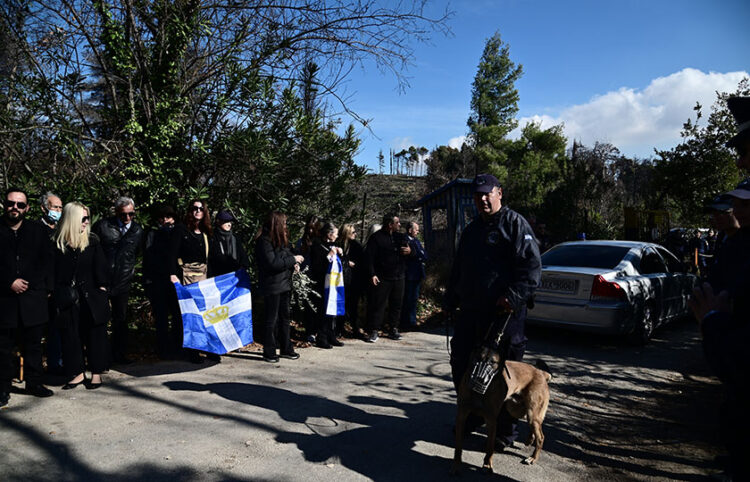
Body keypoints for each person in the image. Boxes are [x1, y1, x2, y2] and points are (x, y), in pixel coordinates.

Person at [444, 173, 541, 449]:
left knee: (503, 374)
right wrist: (451, 298)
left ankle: (503, 430)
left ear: (499, 193)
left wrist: (513, 296)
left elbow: (532, 270)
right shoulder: (473, 229)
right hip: (472, 311)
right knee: (462, 363)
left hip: (505, 315)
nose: (483, 199)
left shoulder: (515, 224)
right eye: (478, 195)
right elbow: (459, 268)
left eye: (488, 193)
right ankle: (473, 417)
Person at [0, 188, 55, 407]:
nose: (15, 208)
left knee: (33, 345)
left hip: (32, 297)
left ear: (27, 208)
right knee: (3, 348)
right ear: (5, 204)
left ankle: (34, 383)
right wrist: (8, 282)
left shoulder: (36, 231)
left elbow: (46, 261)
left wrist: (36, 285)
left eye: (20, 204)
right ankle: (3, 388)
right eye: (11, 203)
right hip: (4, 300)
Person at [54, 202, 111, 390]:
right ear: (72, 219)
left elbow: (101, 269)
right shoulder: (58, 244)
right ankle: (77, 373)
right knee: (71, 336)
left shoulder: (93, 241)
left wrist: (102, 291)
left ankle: (96, 373)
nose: (87, 222)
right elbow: (53, 272)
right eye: (83, 218)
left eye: (87, 218)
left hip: (92, 297)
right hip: (68, 298)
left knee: (95, 336)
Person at [93, 196, 144, 365]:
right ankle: (99, 356)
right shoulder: (102, 226)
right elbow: (92, 250)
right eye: (123, 215)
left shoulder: (137, 230)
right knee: (98, 319)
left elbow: (135, 253)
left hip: (123, 281)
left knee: (120, 320)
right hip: (102, 280)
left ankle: (119, 354)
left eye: (131, 214)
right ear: (116, 212)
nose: (128, 218)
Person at [255, 211, 304, 363]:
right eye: (283, 223)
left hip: (284, 284)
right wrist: (292, 260)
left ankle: (286, 347)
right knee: (272, 319)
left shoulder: (281, 241)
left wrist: (293, 264)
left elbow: (285, 256)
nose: (285, 226)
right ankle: (269, 350)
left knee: (284, 318)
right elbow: (272, 263)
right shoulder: (264, 241)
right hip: (272, 285)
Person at [170, 199, 213, 363]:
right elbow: (172, 254)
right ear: (190, 210)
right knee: (188, 315)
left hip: (203, 278)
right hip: (185, 277)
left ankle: (203, 347)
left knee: (203, 314)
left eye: (201, 208)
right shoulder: (180, 230)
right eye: (195, 208)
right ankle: (189, 351)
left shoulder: (205, 232)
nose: (198, 211)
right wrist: (172, 274)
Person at [364, 214, 411, 343]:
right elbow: (369, 258)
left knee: (396, 304)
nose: (400, 225)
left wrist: (410, 251)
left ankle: (393, 328)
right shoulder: (376, 238)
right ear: (390, 224)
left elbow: (412, 252)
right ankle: (374, 330)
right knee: (378, 304)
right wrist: (372, 274)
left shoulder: (400, 237)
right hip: (382, 277)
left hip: (399, 276)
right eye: (397, 222)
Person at [143, 204, 182, 360]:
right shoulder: (152, 235)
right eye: (163, 218)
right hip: (158, 281)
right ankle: (164, 350)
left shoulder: (178, 233)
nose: (166, 221)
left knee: (178, 316)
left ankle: (178, 347)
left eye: (169, 217)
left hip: (175, 281)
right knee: (162, 318)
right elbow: (148, 257)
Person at [38, 191, 64, 375]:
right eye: (55, 207)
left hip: (59, 286)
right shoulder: (34, 229)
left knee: (57, 327)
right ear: (44, 208)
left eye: (60, 207)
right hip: (41, 288)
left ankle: (57, 364)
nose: (58, 210)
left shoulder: (61, 229)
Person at [310, 222, 345, 348]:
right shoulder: (317, 245)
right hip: (321, 283)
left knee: (332, 310)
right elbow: (317, 265)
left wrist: (340, 253)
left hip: (333, 283)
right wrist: (329, 256)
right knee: (323, 311)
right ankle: (322, 337)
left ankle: (331, 334)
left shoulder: (334, 245)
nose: (337, 236)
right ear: (329, 234)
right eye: (335, 234)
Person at [294, 214, 321, 342]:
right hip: (305, 277)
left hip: (318, 276)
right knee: (309, 307)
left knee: (318, 305)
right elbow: (297, 257)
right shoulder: (301, 242)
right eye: (308, 228)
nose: (310, 231)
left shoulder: (320, 242)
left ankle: (318, 330)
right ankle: (310, 331)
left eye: (313, 228)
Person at [339, 223, 365, 336]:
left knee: (353, 305)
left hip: (354, 280)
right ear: (347, 233)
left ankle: (355, 327)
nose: (355, 234)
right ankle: (339, 328)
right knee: (341, 304)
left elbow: (363, 261)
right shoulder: (338, 245)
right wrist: (345, 262)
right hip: (341, 280)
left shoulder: (357, 246)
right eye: (353, 232)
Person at [400, 221, 427, 329]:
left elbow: (424, 255)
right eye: (416, 229)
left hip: (417, 274)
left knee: (414, 299)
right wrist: (417, 254)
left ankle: (412, 321)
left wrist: (417, 253)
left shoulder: (416, 241)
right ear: (410, 230)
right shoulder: (405, 240)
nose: (417, 231)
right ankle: (406, 322)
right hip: (409, 274)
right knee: (408, 299)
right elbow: (415, 254)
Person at [208, 209, 250, 277]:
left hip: (235, 277)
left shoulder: (235, 238)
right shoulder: (212, 239)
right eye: (226, 222)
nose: (229, 224)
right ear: (218, 222)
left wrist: (242, 269)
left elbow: (243, 258)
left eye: (230, 222)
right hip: (218, 277)